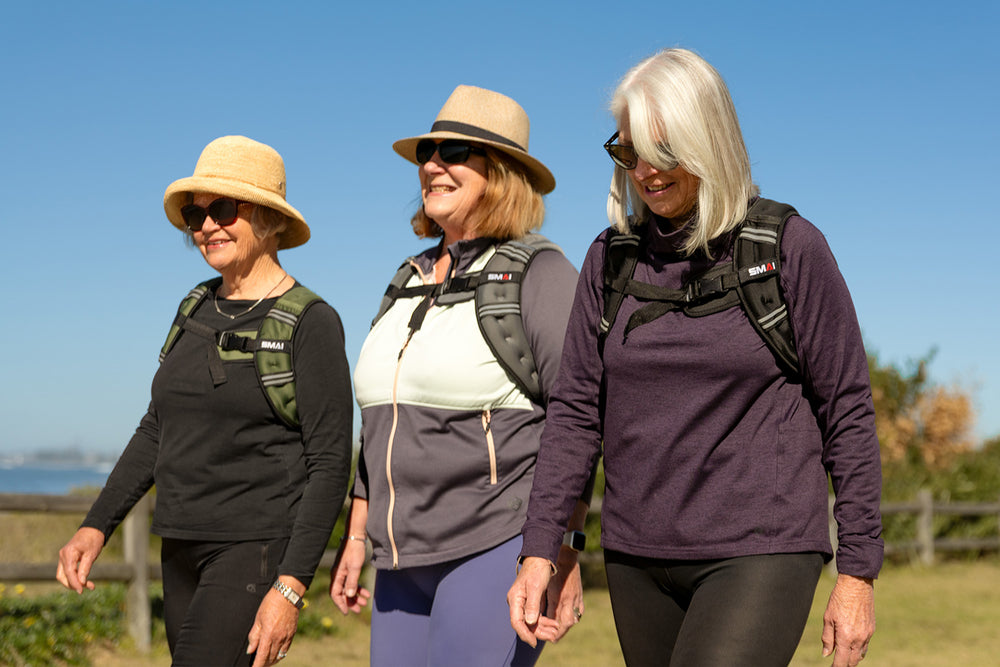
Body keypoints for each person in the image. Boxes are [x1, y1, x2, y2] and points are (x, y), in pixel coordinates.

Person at [508, 48, 883, 667]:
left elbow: (846, 407)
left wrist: (858, 572)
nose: (646, 172)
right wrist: (542, 548)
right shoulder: (611, 260)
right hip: (636, 558)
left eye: (664, 151)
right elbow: (575, 414)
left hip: (761, 547)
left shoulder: (788, 249)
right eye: (628, 152)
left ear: (707, 139)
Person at [56, 136, 353, 667]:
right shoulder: (194, 306)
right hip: (180, 544)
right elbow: (156, 428)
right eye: (197, 215)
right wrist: (96, 524)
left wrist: (289, 587)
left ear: (268, 217)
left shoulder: (311, 322)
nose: (207, 227)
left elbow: (330, 463)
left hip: (254, 548)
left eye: (223, 209)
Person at [329, 85, 589, 666]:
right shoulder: (406, 277)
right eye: (428, 151)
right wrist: (355, 538)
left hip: (496, 546)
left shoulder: (540, 274)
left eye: (453, 151)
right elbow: (378, 425)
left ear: (499, 173)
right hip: (400, 560)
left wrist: (565, 550)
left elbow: (581, 420)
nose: (431, 164)